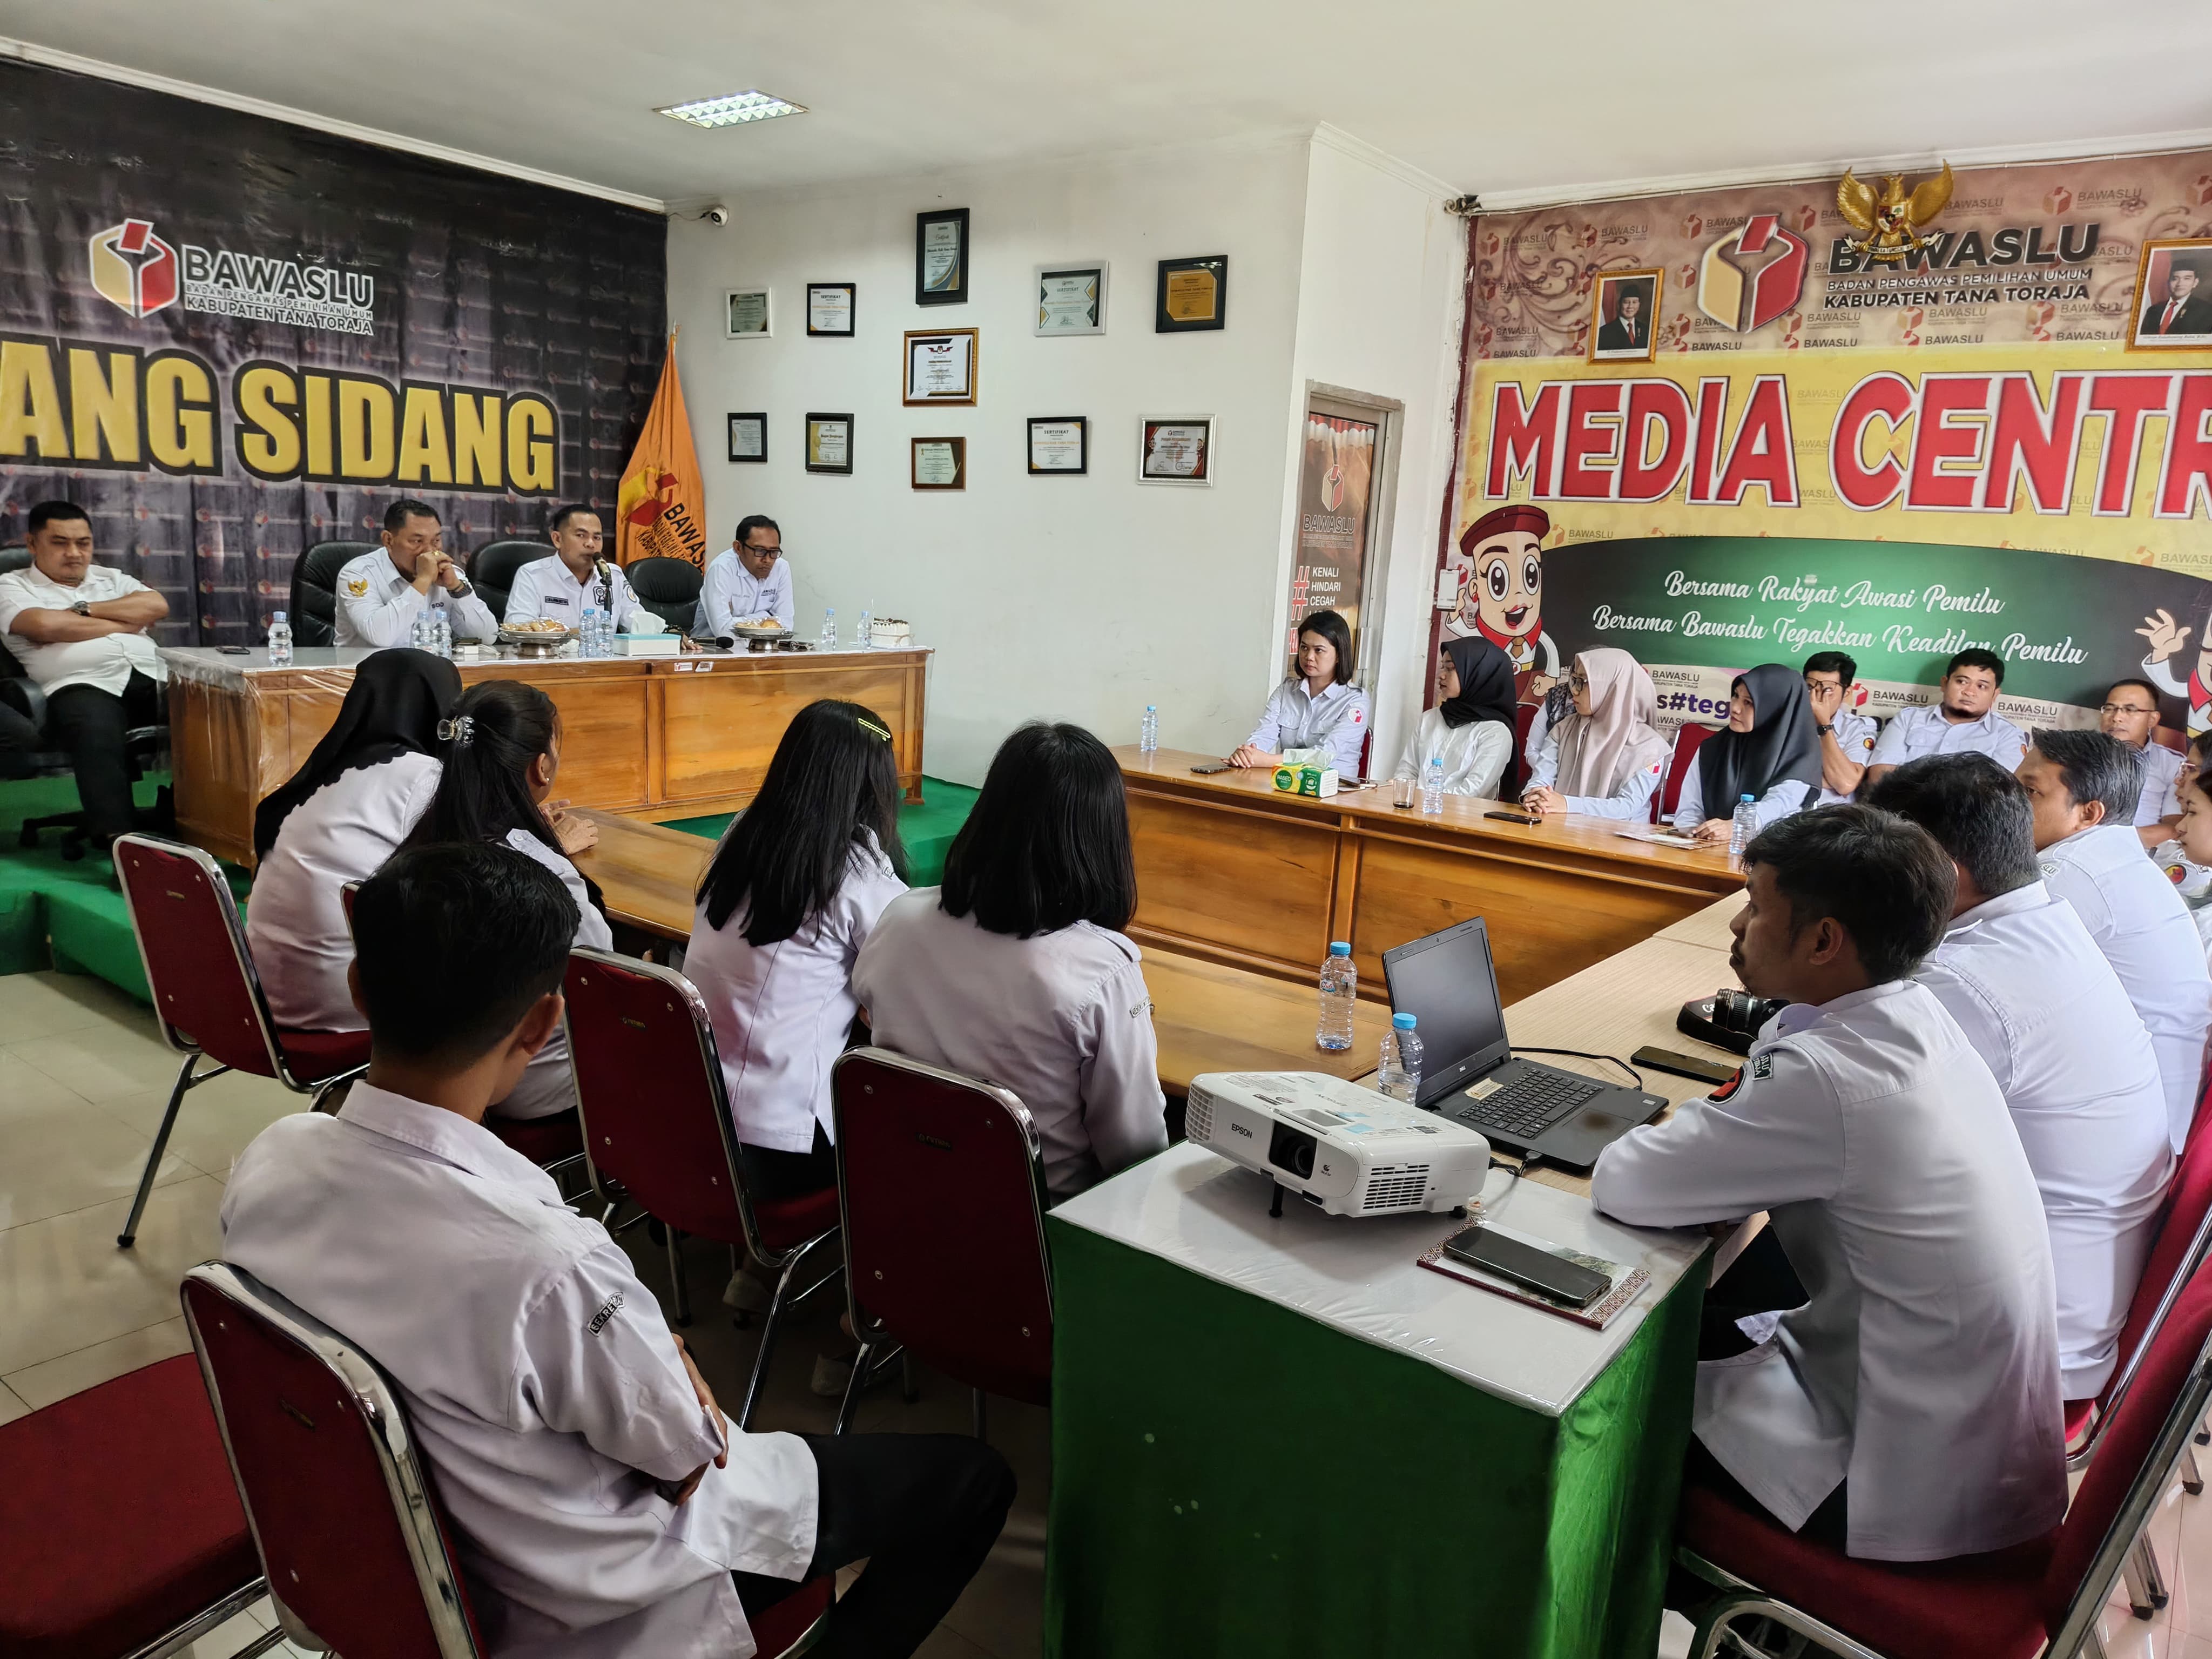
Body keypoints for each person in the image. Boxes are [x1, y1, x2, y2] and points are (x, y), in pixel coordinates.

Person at [221, 842, 1014, 1659]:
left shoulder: (272, 1160)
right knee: (972, 1481)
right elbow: (687, 1456)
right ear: (540, 1023)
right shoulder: (546, 1263)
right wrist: (657, 1365)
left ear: (360, 989)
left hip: (433, 1563)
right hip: (601, 1604)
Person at [1591, 807, 2065, 1562]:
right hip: (1971, 1445)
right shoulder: (1918, 1018)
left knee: (1599, 1398)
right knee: (1709, 1308)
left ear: (1823, 940)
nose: (1737, 927)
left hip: (1893, 1484)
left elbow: (1626, 1182)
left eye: (1756, 906)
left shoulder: (1832, 1075)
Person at [1868, 756, 2171, 1400]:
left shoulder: (1963, 985)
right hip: (2061, 1304)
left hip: (2005, 1355)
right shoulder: (2045, 925)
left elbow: (1840, 1126)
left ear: (1938, 874)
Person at [853, 722, 1168, 1202]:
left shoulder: (900, 917)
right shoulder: (1101, 972)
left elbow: (870, 1011)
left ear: (987, 814)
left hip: (902, 1206)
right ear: (1102, 838)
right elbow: (1135, 1153)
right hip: (1044, 1234)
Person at [685, 699, 908, 1370]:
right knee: (916, 1119)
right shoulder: (859, 878)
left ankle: (759, 1267)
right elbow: (900, 999)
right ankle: (863, 1331)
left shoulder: (740, 836)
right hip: (774, 1154)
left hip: (696, 1128)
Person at [401, 679, 608, 1121]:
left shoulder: (421, 842)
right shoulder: (547, 878)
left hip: (432, 1066)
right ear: (541, 768)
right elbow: (600, 976)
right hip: (531, 1087)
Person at [2019, 728, 2212, 1151]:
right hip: (2139, 1120)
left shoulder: (2073, 871)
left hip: (2122, 1136)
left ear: (2088, 814)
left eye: (2029, 792)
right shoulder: (2108, 855)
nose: (2009, 805)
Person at [246, 650, 460, 1031]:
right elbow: (484, 864)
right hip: (347, 1007)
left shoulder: (328, 769)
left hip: (259, 998)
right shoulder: (423, 775)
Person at [0, 501, 168, 845]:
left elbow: (156, 606)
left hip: (154, 676)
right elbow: (43, 624)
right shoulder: (10, 586)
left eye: (84, 543)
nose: (75, 553)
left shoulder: (111, 578)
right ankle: (120, 843)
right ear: (32, 544)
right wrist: (126, 624)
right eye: (60, 543)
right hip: (80, 684)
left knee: (220, 712)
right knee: (95, 722)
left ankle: (213, 821)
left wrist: (83, 611)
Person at [503, 502, 692, 647]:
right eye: (581, 535)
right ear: (557, 539)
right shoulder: (533, 575)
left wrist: (669, 632)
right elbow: (519, 628)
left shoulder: (612, 575)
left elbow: (636, 619)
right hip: (550, 667)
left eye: (597, 537)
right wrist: (573, 634)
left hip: (603, 667)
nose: (591, 544)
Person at [1673, 664, 1821, 842]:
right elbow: (1690, 809)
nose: (1734, 707)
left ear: (1776, 709)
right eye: (1736, 695)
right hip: (1708, 849)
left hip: (1773, 855)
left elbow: (1779, 805)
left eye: (1748, 702)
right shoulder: (1712, 748)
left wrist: (1735, 827)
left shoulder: (1800, 755)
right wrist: (1693, 837)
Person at [1520, 648, 1670, 820]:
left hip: (1620, 841)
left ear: (1612, 687)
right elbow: (1542, 776)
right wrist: (1535, 796)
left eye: (1583, 682)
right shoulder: (1564, 728)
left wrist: (1567, 805)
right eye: (1573, 680)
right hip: (1559, 829)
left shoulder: (1650, 747)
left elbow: (1627, 807)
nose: (1574, 691)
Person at [334, 499, 499, 649]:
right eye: (417, 541)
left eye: (436, 541)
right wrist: (423, 580)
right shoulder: (358, 574)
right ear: (388, 540)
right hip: (363, 676)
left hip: (431, 674)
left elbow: (488, 637)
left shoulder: (450, 574)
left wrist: (456, 588)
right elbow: (380, 636)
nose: (429, 552)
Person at [1228, 609, 1370, 779]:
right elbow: (1264, 733)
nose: (1308, 656)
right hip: (1288, 784)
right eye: (1304, 648)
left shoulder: (1355, 700)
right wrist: (1248, 753)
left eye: (1319, 650)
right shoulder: (1287, 690)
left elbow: (1324, 755)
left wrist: (1268, 761)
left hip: (1336, 792)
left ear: (1339, 655)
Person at [1863, 648, 2024, 787]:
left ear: (1995, 694)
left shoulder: (2007, 735)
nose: (1969, 692)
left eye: (1981, 686)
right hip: (1901, 818)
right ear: (1945, 683)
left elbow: (1998, 794)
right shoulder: (1908, 719)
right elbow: (1879, 778)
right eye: (1962, 681)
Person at [1388, 636, 1516, 799]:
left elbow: (1471, 792)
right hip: (1412, 811)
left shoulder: (1496, 732)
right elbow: (1407, 771)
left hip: (1460, 821)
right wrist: (1403, 791)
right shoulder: (1429, 718)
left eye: (1450, 669)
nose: (1441, 676)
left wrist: (1421, 799)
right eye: (1443, 668)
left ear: (1477, 673)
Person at [2098, 677, 2185, 848]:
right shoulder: (2077, 756)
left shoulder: (2173, 765)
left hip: (2139, 855)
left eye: (2130, 710)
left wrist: (2107, 841)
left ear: (2152, 719)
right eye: (2110, 709)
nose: (2116, 718)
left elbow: (2176, 828)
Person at [698, 514, 795, 636]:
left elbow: (786, 626)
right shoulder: (721, 568)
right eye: (760, 551)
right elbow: (724, 631)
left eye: (774, 552)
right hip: (712, 648)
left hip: (762, 649)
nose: (768, 560)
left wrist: (740, 623)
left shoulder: (781, 567)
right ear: (738, 548)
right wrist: (767, 617)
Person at [1803, 651, 1876, 807]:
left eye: (1827, 689)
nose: (1815, 695)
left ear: (1846, 693)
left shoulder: (1858, 728)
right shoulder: (1787, 721)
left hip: (1830, 819)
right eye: (1810, 686)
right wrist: (1828, 777)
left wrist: (1824, 725)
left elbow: (1845, 784)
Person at [2140, 261, 2212, 339]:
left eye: (2187, 279)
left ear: (2195, 283)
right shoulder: (2153, 310)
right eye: (2175, 279)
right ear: (2169, 282)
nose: (2180, 284)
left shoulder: (2206, 310)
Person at [1596, 287, 1648, 353]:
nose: (1630, 306)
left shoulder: (1646, 330)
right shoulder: (1604, 332)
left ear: (1639, 305)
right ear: (1620, 304)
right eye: (1626, 302)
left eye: (1634, 302)